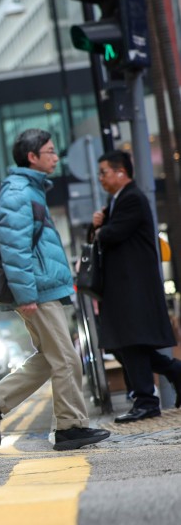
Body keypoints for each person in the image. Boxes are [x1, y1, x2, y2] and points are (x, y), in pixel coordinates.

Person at [0, 128, 110, 451]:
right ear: (32, 157)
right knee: (67, 360)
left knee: (50, 358)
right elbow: (14, 248)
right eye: (50, 151)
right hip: (37, 291)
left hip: (41, 288)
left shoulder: (28, 190)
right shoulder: (19, 192)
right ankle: (70, 427)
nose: (56, 157)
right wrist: (26, 294)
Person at [92, 151, 181, 422]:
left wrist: (101, 228)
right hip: (124, 286)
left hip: (133, 286)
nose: (100, 178)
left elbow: (114, 234)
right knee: (124, 345)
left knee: (130, 343)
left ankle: (146, 401)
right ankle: (173, 372)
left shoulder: (132, 198)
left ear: (121, 172)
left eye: (104, 172)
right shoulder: (118, 200)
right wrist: (101, 225)